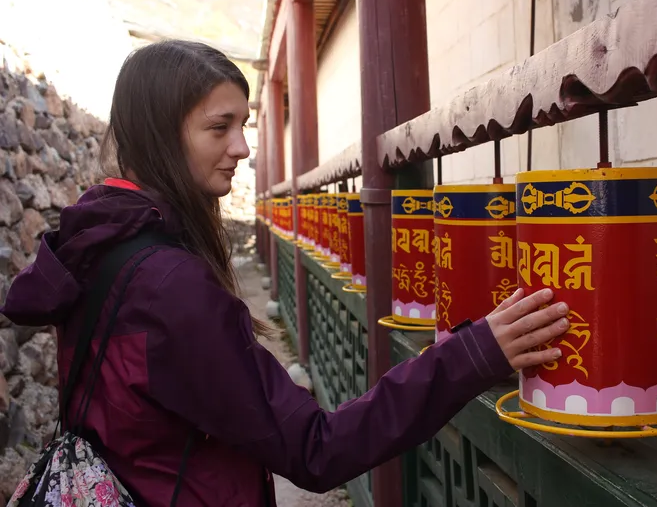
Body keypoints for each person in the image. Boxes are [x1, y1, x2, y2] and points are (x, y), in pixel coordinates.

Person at [0, 40, 570, 506]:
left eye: (242, 125)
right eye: (219, 128)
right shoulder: (169, 286)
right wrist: (473, 354)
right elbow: (316, 450)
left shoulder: (96, 241)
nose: (242, 148)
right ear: (159, 135)